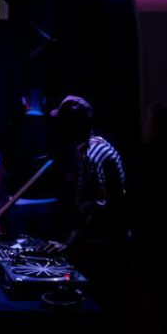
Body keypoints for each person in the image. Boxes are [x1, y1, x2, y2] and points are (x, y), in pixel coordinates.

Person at [48, 95, 127, 309]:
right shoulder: (87, 148)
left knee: (100, 302)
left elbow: (101, 205)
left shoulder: (93, 154)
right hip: (98, 241)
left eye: (62, 123)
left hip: (105, 244)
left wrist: (70, 242)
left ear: (70, 126)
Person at [0, 89, 61, 239]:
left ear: (24, 101)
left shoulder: (12, 128)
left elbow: (2, 171)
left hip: (20, 203)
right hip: (51, 203)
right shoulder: (56, 128)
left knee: (18, 254)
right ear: (44, 102)